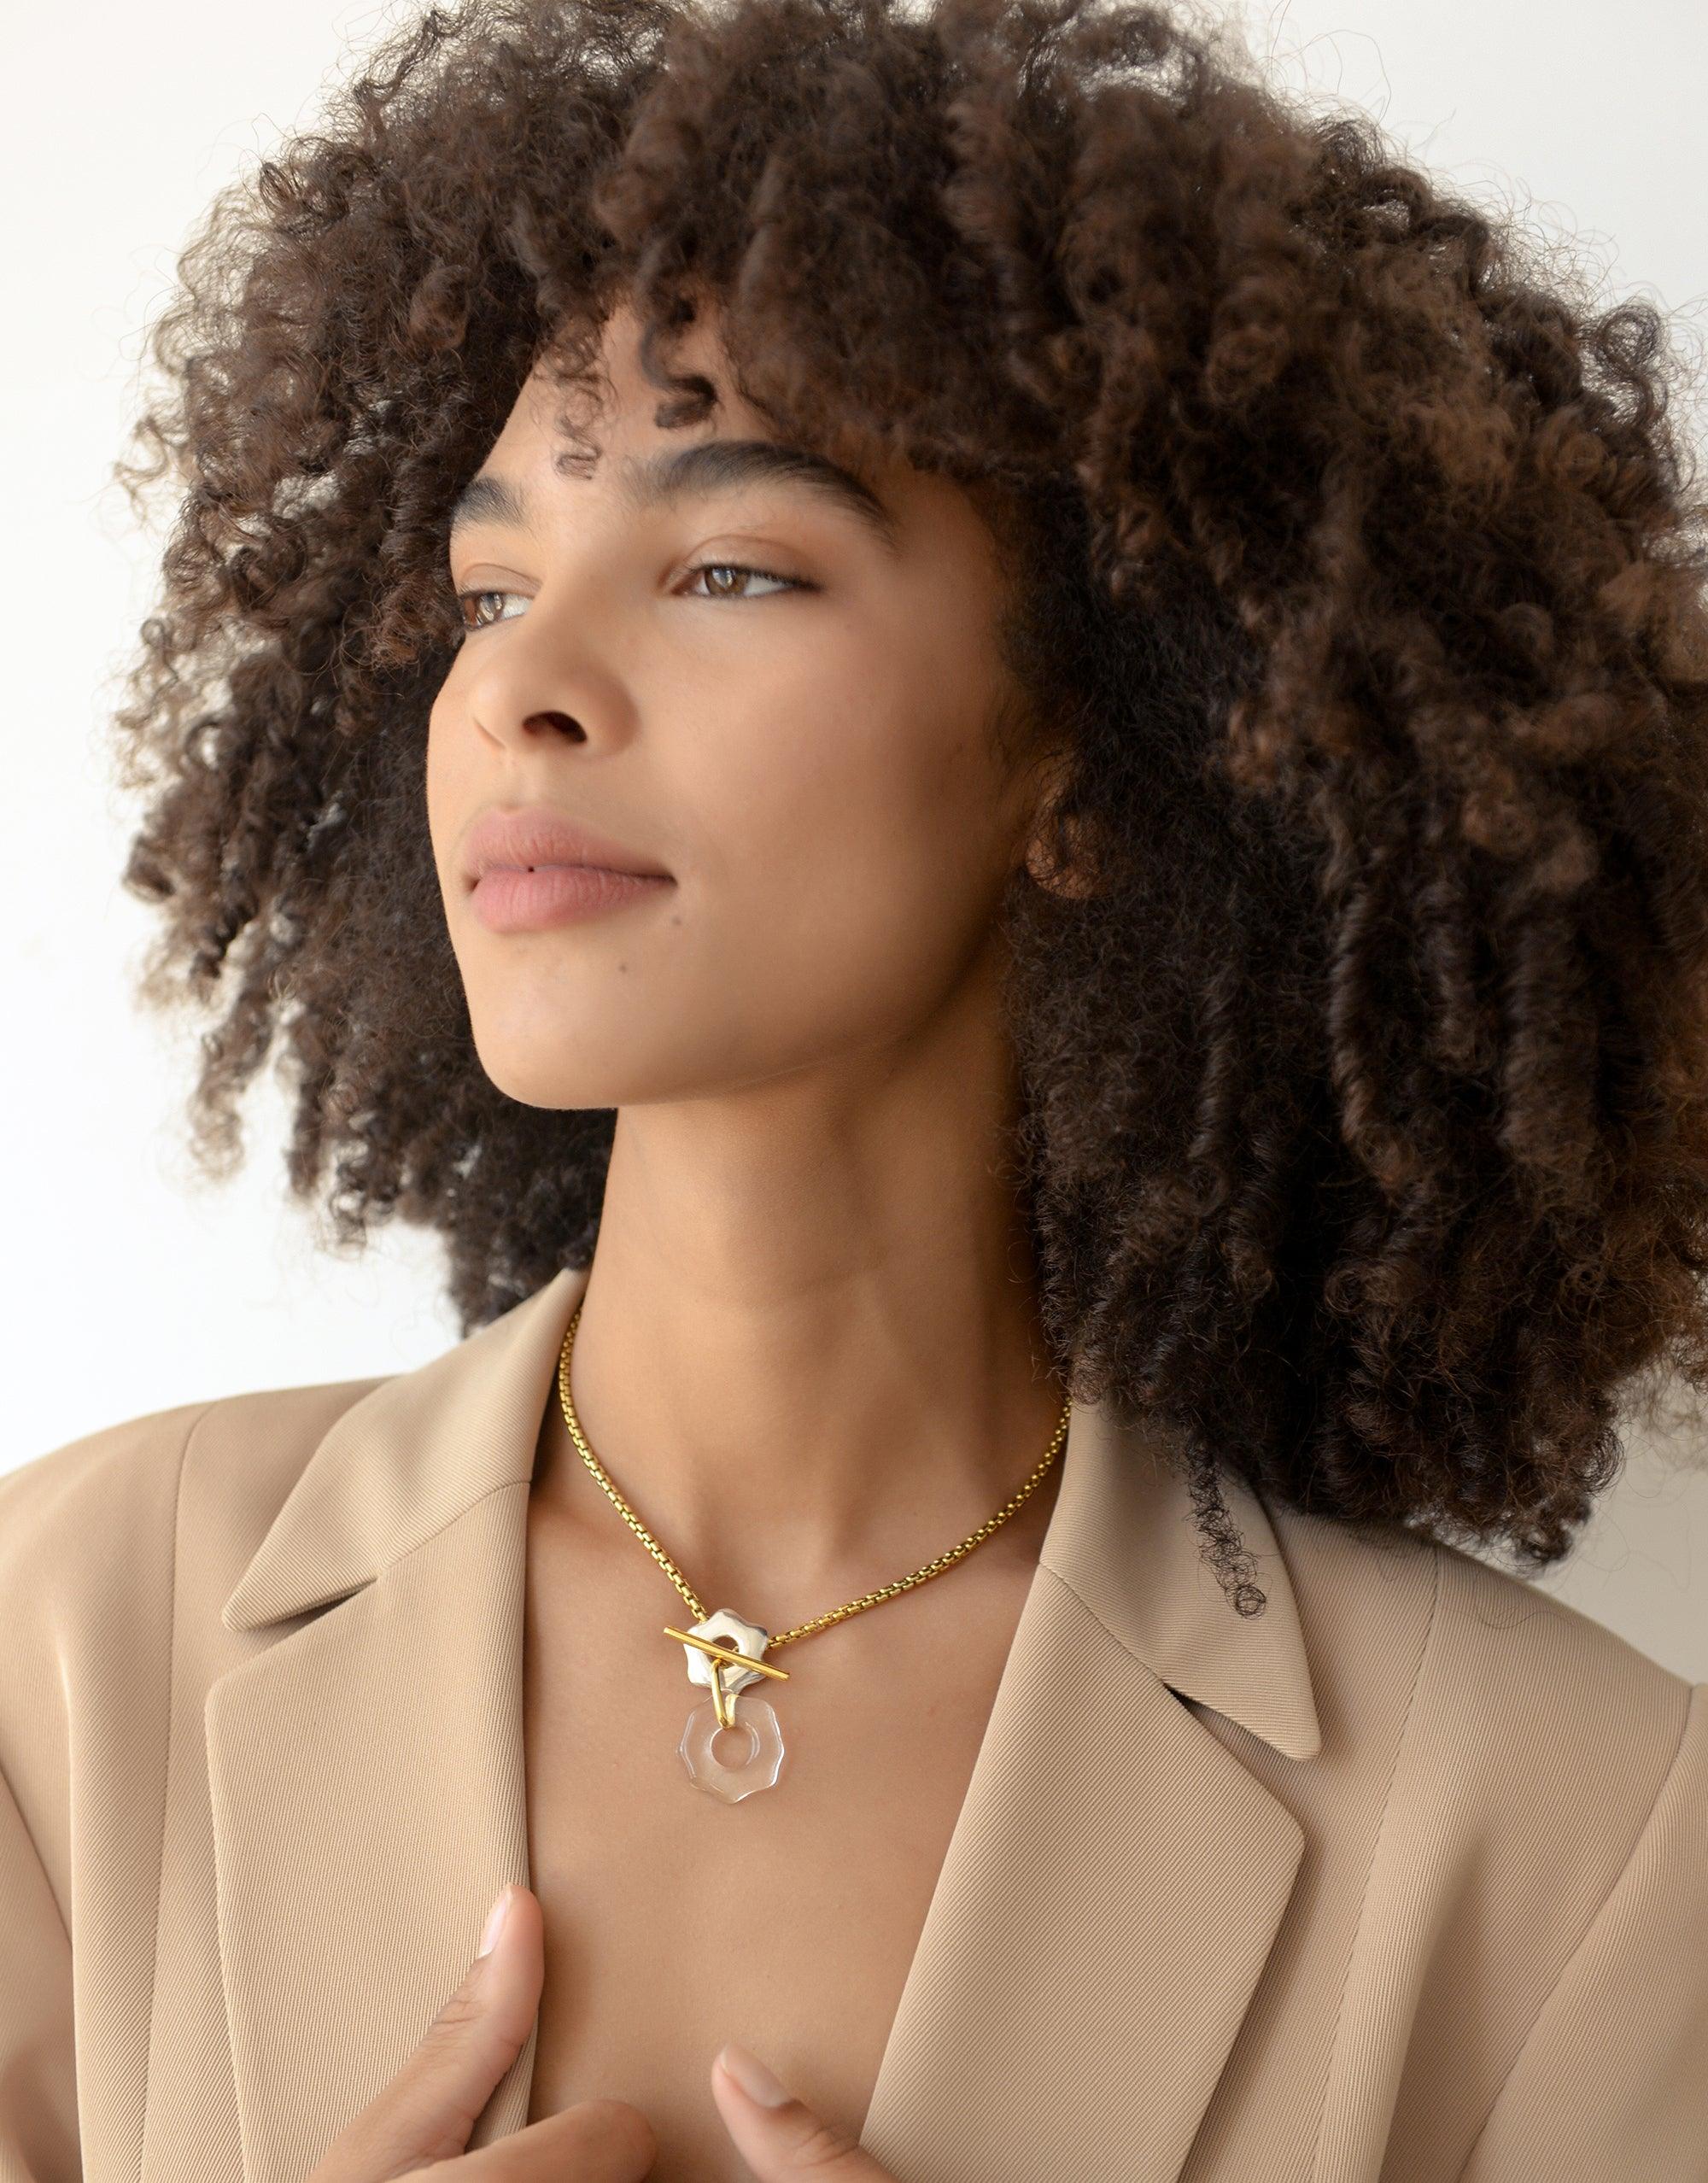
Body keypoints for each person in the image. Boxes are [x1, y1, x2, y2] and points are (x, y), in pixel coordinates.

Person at [3, 0, 1706, 2176]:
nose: (522, 684)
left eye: (730, 571)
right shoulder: (60, 1653)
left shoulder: (1577, 1844)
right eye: (490, 583)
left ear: (1105, 748)